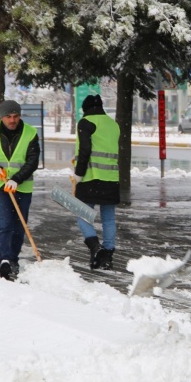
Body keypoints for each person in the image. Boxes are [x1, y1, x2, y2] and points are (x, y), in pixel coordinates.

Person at [0, 100, 40, 281]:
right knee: (4, 223)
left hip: (23, 186)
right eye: (8, 117)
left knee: (20, 226)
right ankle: (4, 261)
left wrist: (17, 179)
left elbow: (32, 161)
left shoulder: (30, 133)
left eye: (16, 116)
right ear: (2, 117)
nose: (12, 120)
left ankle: (13, 259)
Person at [73, 94, 120, 270]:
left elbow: (85, 150)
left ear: (85, 109)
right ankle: (107, 255)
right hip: (111, 178)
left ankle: (94, 246)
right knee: (108, 219)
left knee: (82, 214)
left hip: (91, 177)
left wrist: (78, 174)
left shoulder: (86, 123)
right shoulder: (113, 124)